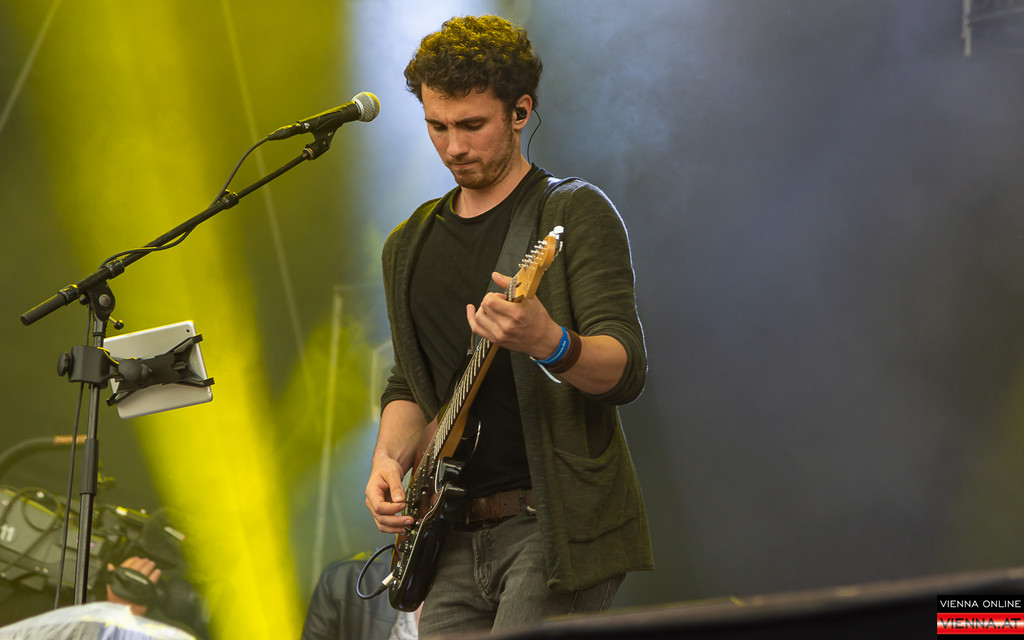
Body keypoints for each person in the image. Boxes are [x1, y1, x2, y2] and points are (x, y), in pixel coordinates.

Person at [364, 14, 652, 638]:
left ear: (521, 112)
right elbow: (411, 382)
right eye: (437, 126)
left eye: (472, 125)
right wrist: (388, 460)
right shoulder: (406, 245)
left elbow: (626, 370)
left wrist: (549, 342)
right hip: (448, 535)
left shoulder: (572, 212)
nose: (453, 147)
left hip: (551, 526)